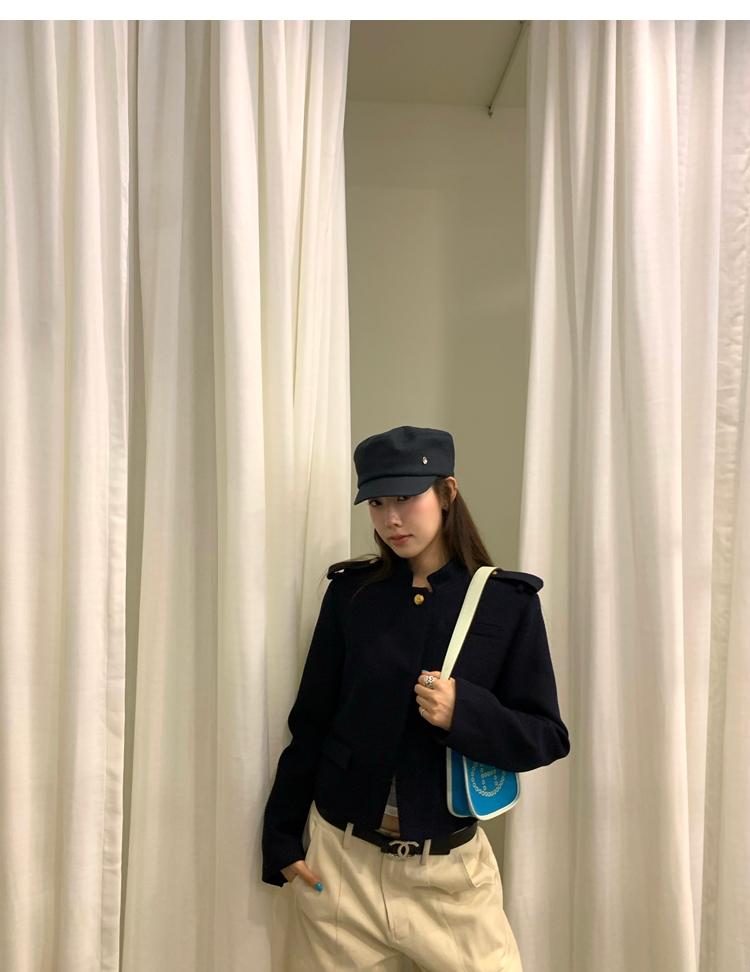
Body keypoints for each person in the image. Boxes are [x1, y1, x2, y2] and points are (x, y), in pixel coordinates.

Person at [262, 425, 571, 971]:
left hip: (450, 880)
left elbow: (546, 737)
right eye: (377, 503)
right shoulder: (352, 595)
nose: (391, 519)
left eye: (405, 497)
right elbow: (311, 721)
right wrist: (282, 840)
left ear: (447, 492)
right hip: (341, 869)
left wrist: (463, 713)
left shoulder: (506, 603)